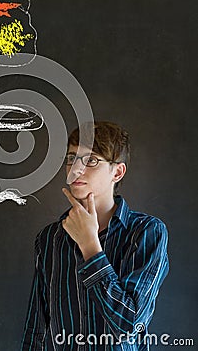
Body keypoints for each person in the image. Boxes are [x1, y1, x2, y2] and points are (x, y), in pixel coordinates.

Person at [20, 121, 169, 350]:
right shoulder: (49, 239)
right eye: (71, 158)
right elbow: (36, 330)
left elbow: (129, 325)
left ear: (117, 172)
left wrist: (90, 246)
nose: (75, 169)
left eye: (91, 160)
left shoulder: (146, 232)